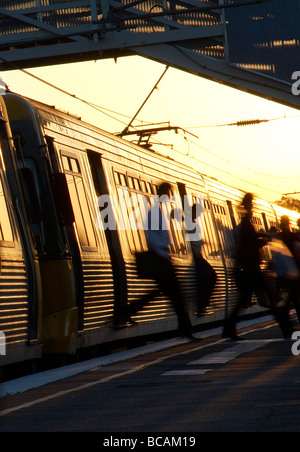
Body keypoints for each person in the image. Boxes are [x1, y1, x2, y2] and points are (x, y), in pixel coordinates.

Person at [118, 182, 200, 341]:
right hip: (161, 260)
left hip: (162, 259)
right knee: (177, 296)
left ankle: (126, 312)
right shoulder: (154, 211)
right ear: (163, 193)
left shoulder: (159, 209)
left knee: (163, 293)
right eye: (169, 193)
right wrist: (164, 251)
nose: (170, 197)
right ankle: (186, 331)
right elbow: (151, 237)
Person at [222, 193, 290, 340]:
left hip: (249, 267)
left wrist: (262, 238)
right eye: (251, 205)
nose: (252, 207)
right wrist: (264, 239)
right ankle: (286, 329)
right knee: (270, 299)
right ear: (248, 207)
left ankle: (229, 328)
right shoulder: (246, 225)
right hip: (252, 268)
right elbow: (250, 245)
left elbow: (249, 242)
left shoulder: (244, 224)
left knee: (244, 301)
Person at [189, 203, 217, 316]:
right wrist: (196, 254)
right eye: (199, 212)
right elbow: (190, 240)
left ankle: (203, 305)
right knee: (210, 277)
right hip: (197, 257)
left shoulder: (192, 223)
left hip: (198, 256)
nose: (200, 215)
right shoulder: (190, 223)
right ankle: (202, 306)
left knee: (208, 277)